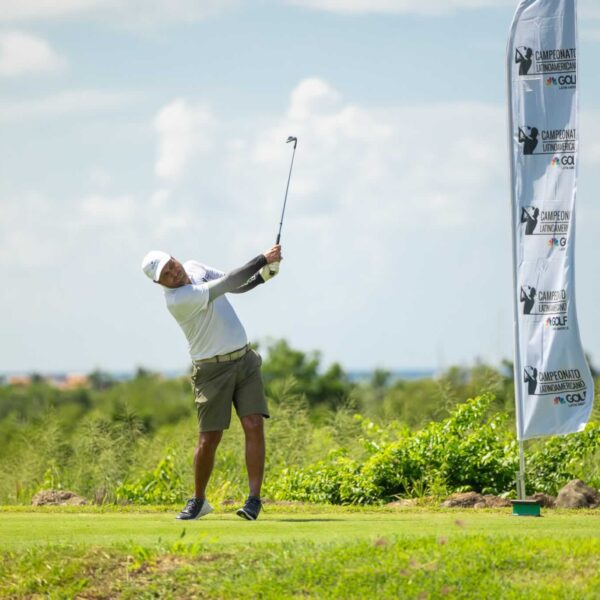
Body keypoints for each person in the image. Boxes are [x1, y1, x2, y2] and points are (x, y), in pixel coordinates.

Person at [141, 244, 282, 521]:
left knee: (254, 424)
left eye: (171, 264)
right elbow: (228, 281)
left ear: (174, 257)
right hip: (211, 372)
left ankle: (254, 500)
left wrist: (265, 275)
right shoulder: (179, 299)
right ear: (159, 284)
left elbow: (236, 286)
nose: (173, 272)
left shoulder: (195, 267)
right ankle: (199, 500)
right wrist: (263, 259)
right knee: (209, 439)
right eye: (166, 274)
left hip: (245, 360)